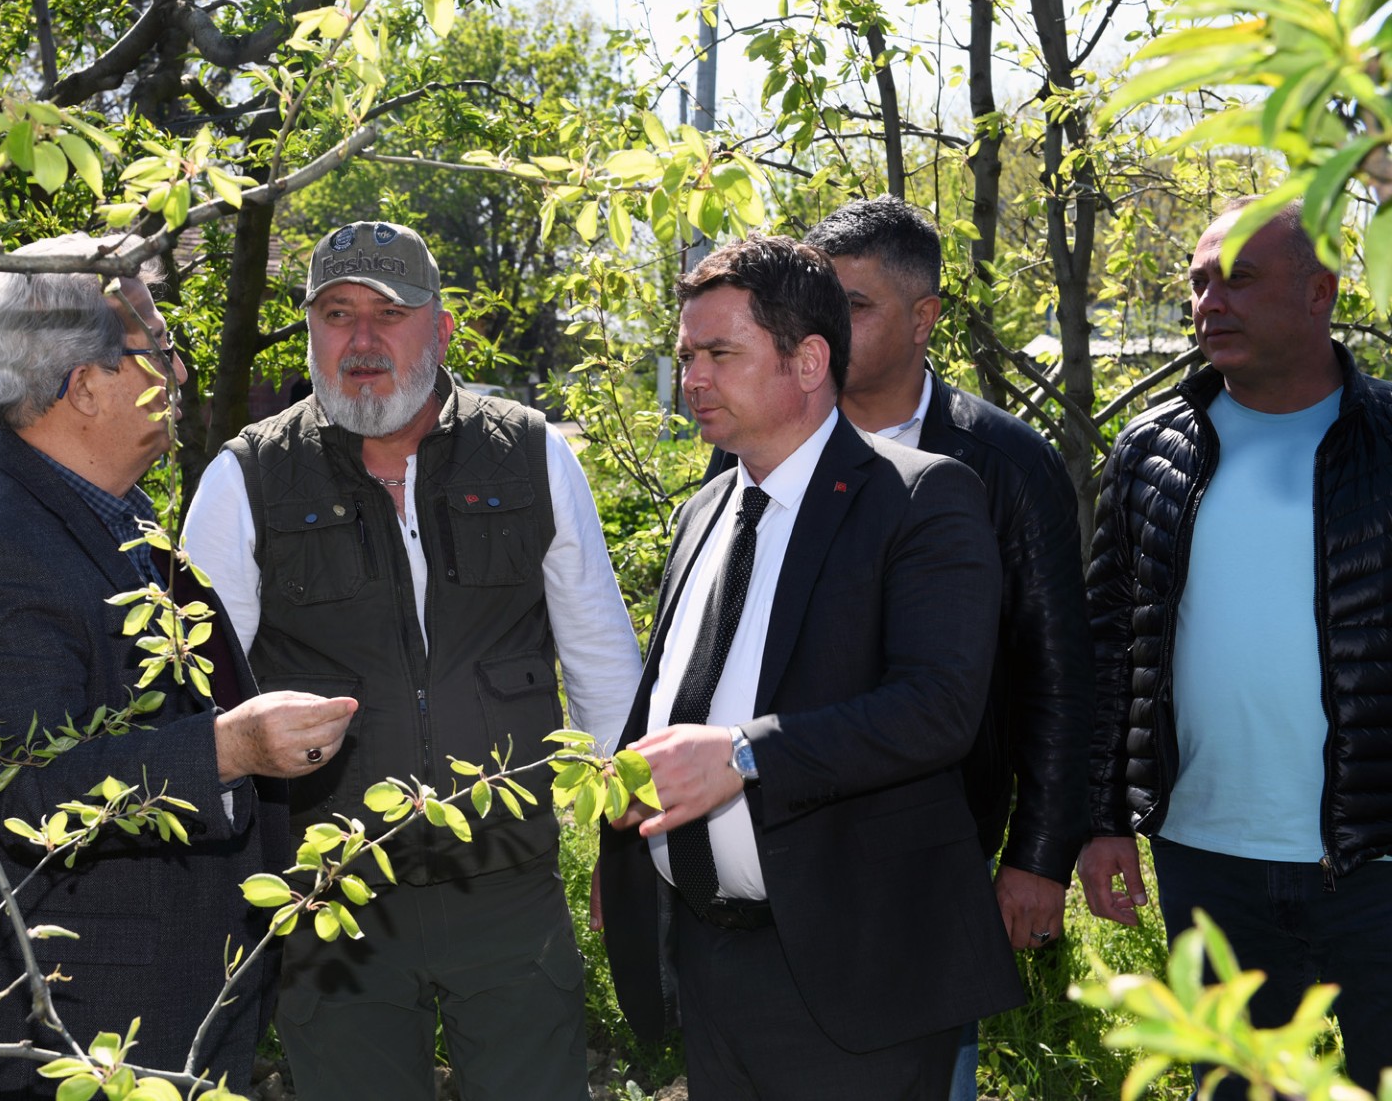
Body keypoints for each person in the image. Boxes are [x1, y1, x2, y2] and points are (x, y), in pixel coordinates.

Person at [0, 240, 356, 1099]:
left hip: (121, 1023)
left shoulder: (100, 507)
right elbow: (28, 793)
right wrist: (229, 747)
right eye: (157, 348)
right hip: (45, 1041)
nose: (176, 368)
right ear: (85, 384)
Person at [181, 221, 641, 1101]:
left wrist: (627, 853)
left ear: (441, 329)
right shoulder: (245, 478)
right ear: (310, 330)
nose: (361, 340)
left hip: (507, 885)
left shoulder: (532, 453)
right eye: (336, 312)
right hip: (333, 895)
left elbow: (603, 672)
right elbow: (200, 709)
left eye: (389, 313)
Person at [598, 236, 1022, 1100]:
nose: (694, 378)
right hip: (709, 962)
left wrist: (745, 755)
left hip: (854, 973)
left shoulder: (920, 497)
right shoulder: (704, 511)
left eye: (721, 353)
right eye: (686, 355)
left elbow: (938, 709)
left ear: (808, 360)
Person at [1080, 196, 1392, 1097]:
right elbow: (1112, 645)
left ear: (1321, 292)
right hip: (1207, 860)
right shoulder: (1151, 451)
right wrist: (1101, 819)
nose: (1209, 304)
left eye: (1241, 280)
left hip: (1376, 861)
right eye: (1199, 284)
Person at [801, 197, 1093, 1098]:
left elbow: (1056, 670)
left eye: (853, 305)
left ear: (924, 317)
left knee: (925, 1073)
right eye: (814, 302)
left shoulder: (1001, 462)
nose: (824, 327)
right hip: (781, 831)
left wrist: (1039, 856)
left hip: (939, 842)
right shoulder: (764, 443)